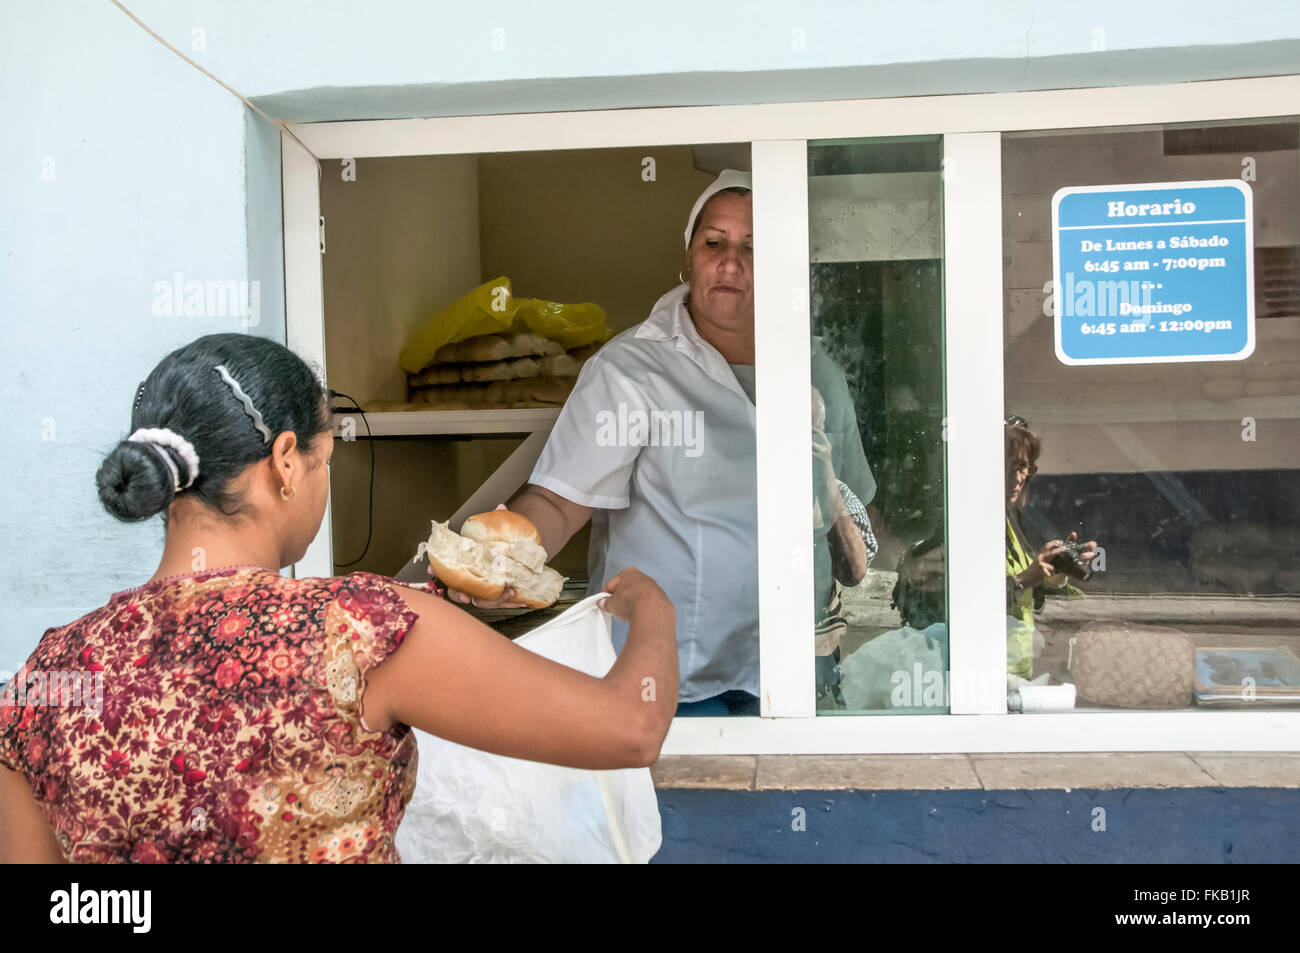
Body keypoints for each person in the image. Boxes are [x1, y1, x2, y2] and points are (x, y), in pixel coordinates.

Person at [0, 333, 677, 863]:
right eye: (326, 460)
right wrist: (652, 607)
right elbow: (630, 726)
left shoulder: (46, 674)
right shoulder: (360, 628)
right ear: (286, 461)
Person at [439, 169, 873, 716]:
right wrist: (505, 558)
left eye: (754, 247)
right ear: (690, 257)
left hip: (792, 667)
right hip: (673, 679)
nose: (731, 262)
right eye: (714, 243)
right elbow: (557, 500)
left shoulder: (818, 376)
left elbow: (850, 529)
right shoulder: (633, 370)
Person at [1004, 416, 1096, 679]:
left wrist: (1053, 576)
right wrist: (1023, 580)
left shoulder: (1010, 520)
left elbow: (1023, 590)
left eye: (1025, 469)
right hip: (985, 675)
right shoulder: (966, 527)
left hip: (1016, 668)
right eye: (1012, 468)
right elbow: (959, 602)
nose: (1020, 478)